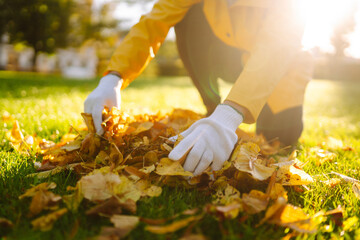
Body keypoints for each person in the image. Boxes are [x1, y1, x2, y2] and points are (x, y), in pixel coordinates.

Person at [84, 0, 314, 176]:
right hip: (227, 53)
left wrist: (231, 114)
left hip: (280, 68)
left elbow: (277, 47)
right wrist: (113, 77)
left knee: (279, 141)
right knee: (189, 17)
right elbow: (153, 22)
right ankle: (212, 110)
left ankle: (222, 118)